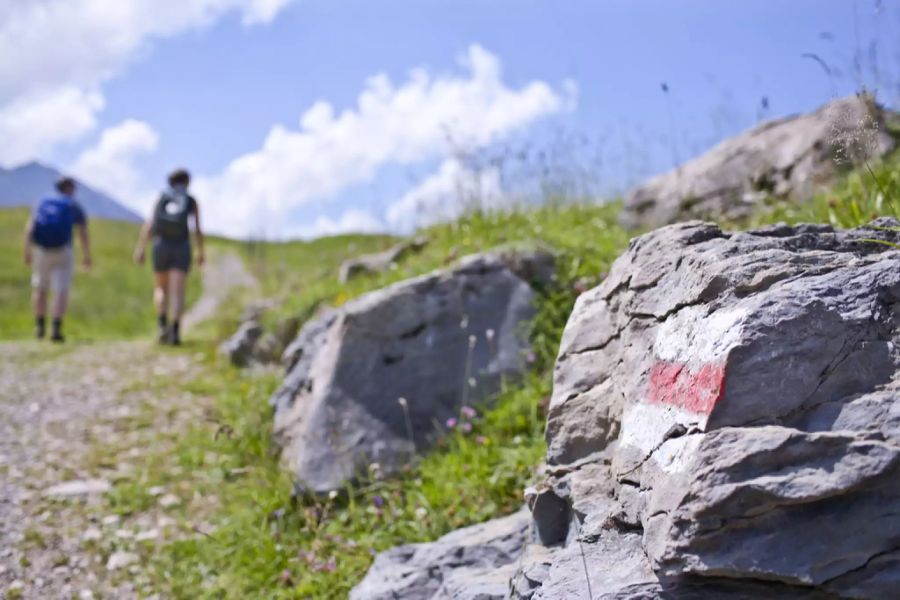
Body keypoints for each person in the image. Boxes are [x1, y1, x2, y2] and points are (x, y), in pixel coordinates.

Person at [133, 169, 204, 345]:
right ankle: (175, 331)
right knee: (178, 290)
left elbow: (150, 223)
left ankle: (162, 324)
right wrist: (200, 251)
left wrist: (141, 248)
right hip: (181, 245)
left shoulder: (161, 197)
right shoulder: (190, 199)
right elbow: (197, 228)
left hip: (161, 244)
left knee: (161, 288)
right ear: (186, 181)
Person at [23, 177, 92, 342]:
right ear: (69, 188)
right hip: (63, 250)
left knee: (40, 288)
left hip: (42, 250)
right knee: (61, 290)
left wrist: (26, 250)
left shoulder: (42, 202)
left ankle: (39, 326)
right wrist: (86, 255)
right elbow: (82, 231)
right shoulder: (72, 204)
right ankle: (56, 328)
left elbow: (30, 227)